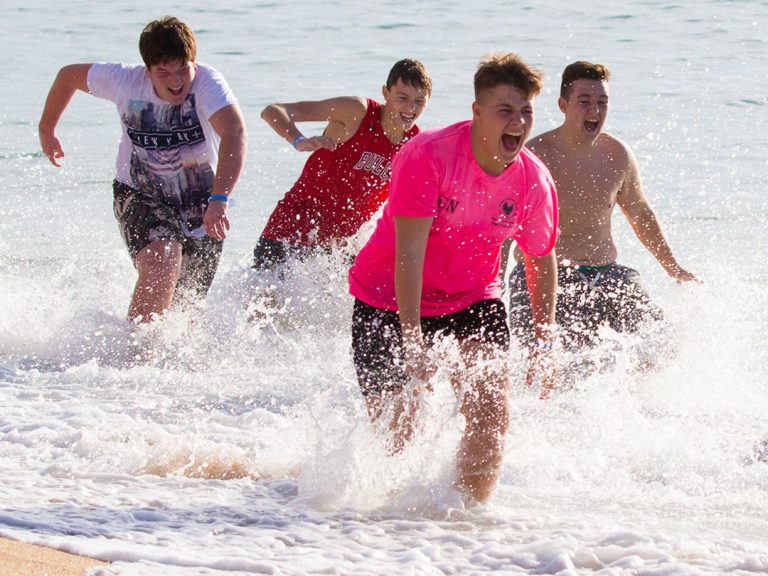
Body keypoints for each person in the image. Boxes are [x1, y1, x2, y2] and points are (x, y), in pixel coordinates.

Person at [347, 53, 559, 505]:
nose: (518, 123)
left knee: (491, 413)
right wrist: (412, 340)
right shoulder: (428, 156)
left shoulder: (534, 180)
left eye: (526, 112)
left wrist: (544, 338)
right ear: (477, 112)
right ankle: (380, 526)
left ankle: (465, 522)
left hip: (471, 297)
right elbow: (409, 254)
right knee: (397, 434)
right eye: (505, 110)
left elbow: (540, 257)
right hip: (386, 296)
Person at [38, 16, 246, 325]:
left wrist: (219, 199)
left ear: (194, 63)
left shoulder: (208, 84)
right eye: (163, 72)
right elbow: (68, 76)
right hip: (140, 193)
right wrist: (47, 128)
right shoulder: (123, 80)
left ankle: (165, 370)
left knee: (184, 308)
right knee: (163, 265)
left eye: (182, 69)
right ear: (147, 71)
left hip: (202, 203)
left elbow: (235, 133)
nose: (175, 81)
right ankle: (134, 362)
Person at [507, 61, 698, 349]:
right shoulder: (534, 156)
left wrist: (673, 267)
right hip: (543, 278)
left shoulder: (617, 154)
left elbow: (640, 213)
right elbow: (503, 224)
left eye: (602, 102)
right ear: (563, 105)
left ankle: (629, 395)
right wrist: (491, 285)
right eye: (584, 102)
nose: (594, 111)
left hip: (605, 273)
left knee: (662, 343)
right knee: (550, 362)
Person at [254, 59, 432, 273]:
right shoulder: (357, 112)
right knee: (264, 304)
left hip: (340, 251)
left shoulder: (415, 145)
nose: (410, 108)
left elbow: (411, 206)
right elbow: (273, 111)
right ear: (385, 93)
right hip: (290, 229)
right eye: (402, 98)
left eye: (419, 101)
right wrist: (298, 140)